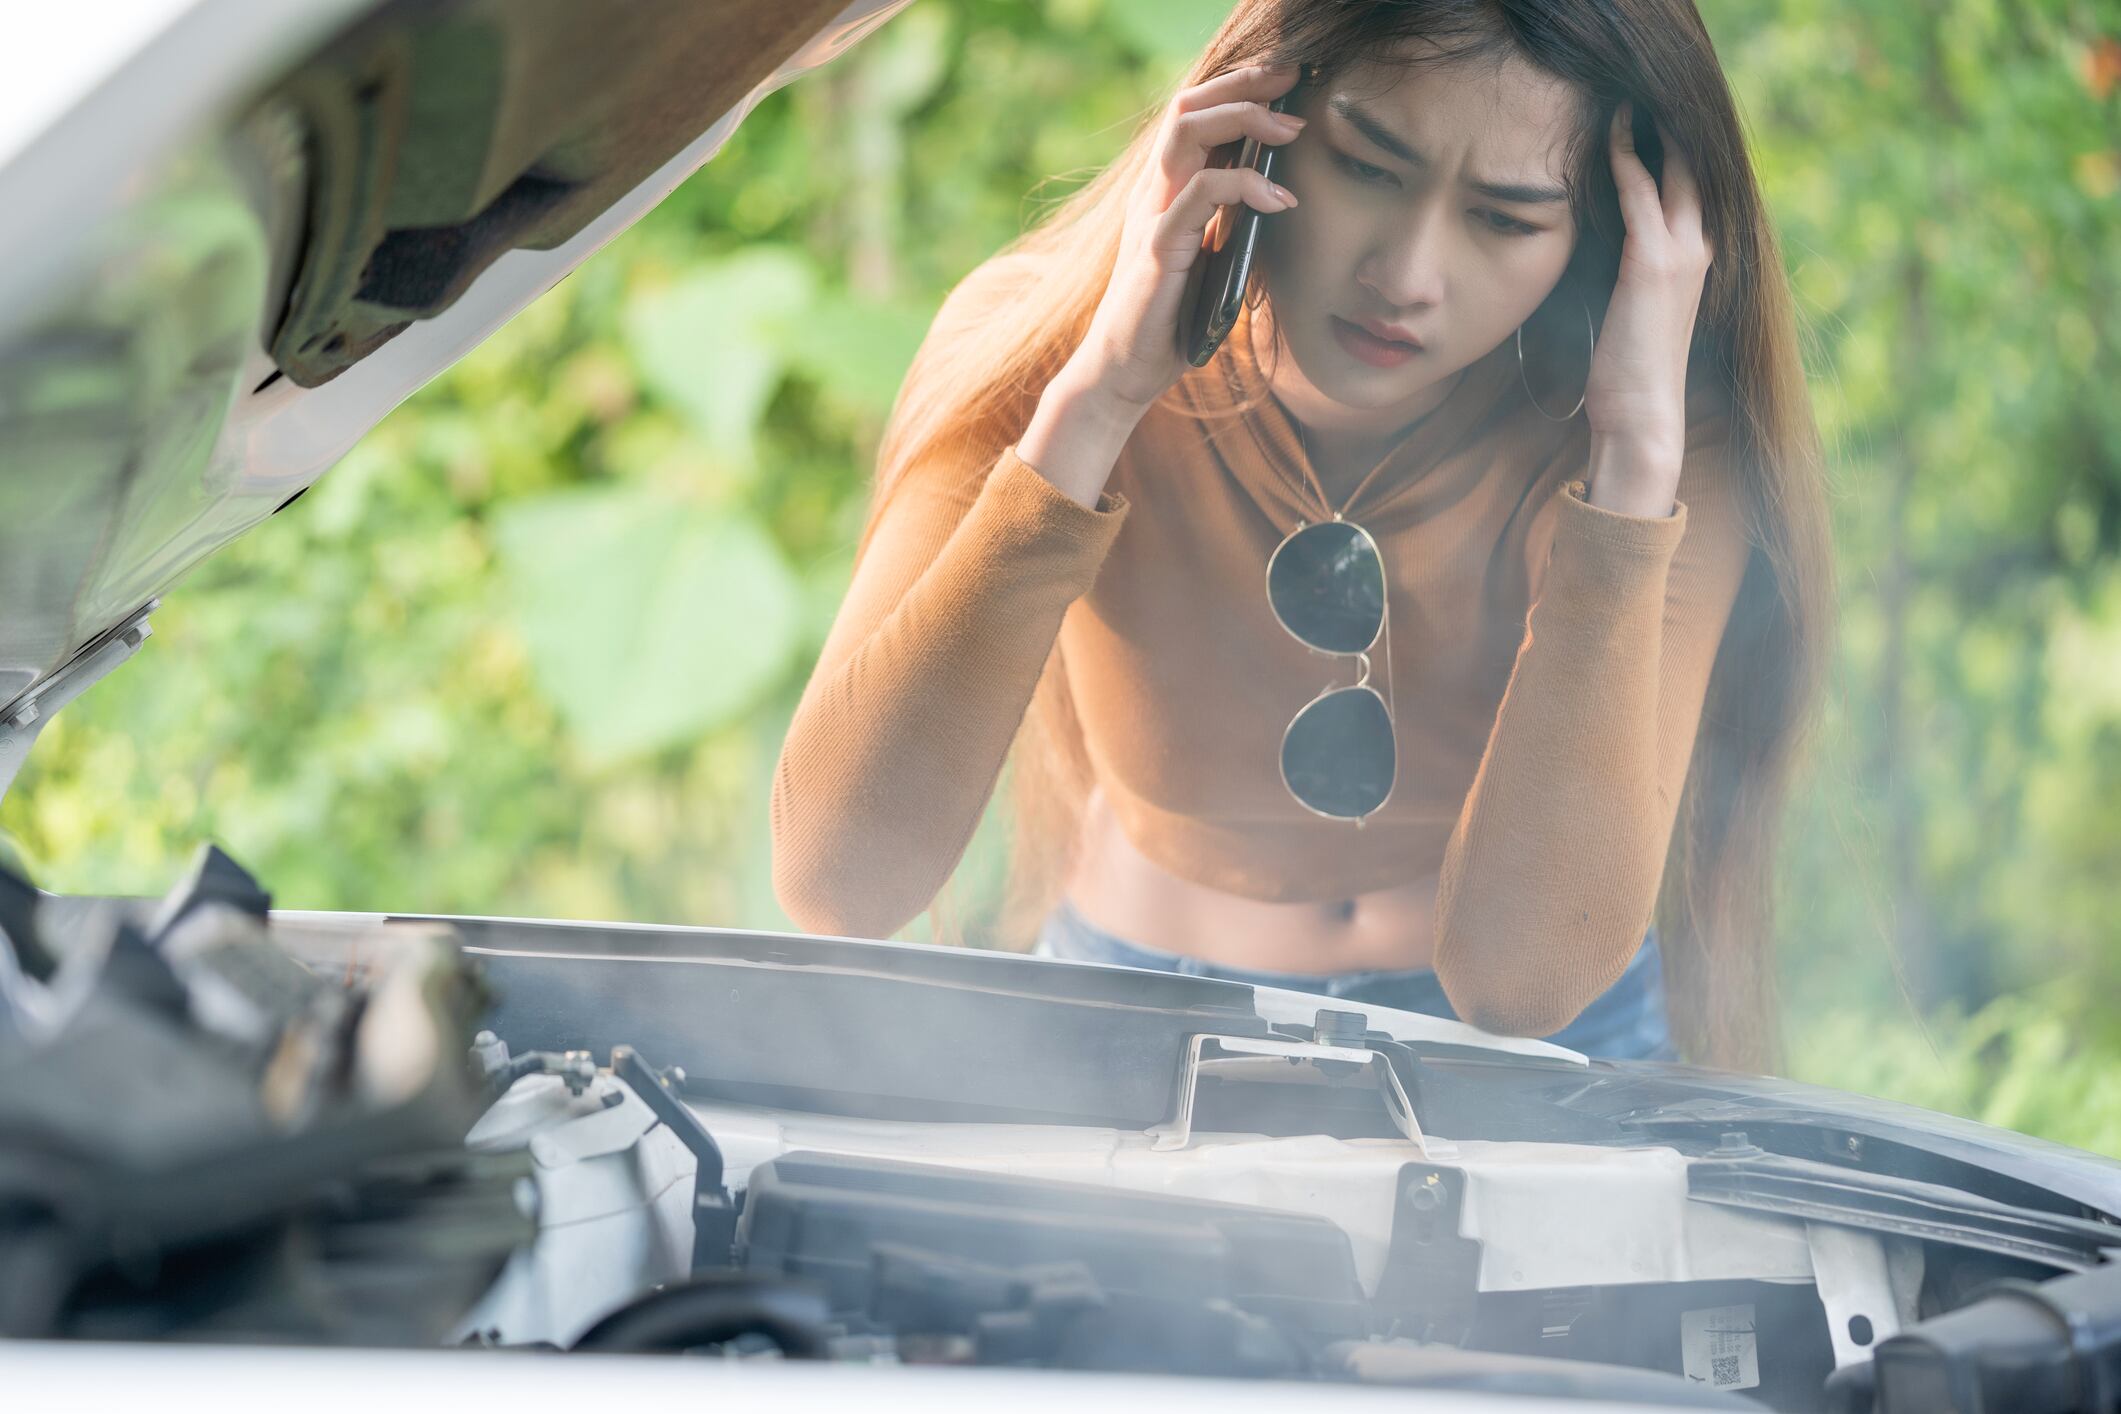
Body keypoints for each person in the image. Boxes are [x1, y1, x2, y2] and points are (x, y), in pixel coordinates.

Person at [770, 0, 1833, 1068]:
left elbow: (1524, 981)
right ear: (1252, 119)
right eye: (1368, 167)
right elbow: (838, 878)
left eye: (1506, 220)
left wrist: (1632, 470)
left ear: (1613, 238)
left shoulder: (1656, 445)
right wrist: (1097, 400)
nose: (1408, 276)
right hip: (1125, 1018)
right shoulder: (1039, 350)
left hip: (1534, 1059)